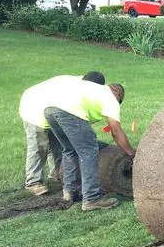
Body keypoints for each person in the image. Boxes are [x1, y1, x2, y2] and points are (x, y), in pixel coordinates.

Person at [44, 81, 136, 212]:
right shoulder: (110, 97)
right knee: (89, 152)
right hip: (70, 110)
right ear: (117, 92)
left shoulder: (94, 89)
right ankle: (92, 198)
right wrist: (130, 152)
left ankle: (70, 192)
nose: (118, 103)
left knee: (70, 149)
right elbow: (116, 131)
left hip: (50, 108)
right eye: (119, 100)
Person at [19, 71, 106, 196]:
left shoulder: (89, 84)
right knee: (39, 146)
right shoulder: (76, 88)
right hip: (34, 106)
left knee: (59, 145)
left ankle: (57, 174)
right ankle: (33, 182)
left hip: (54, 108)